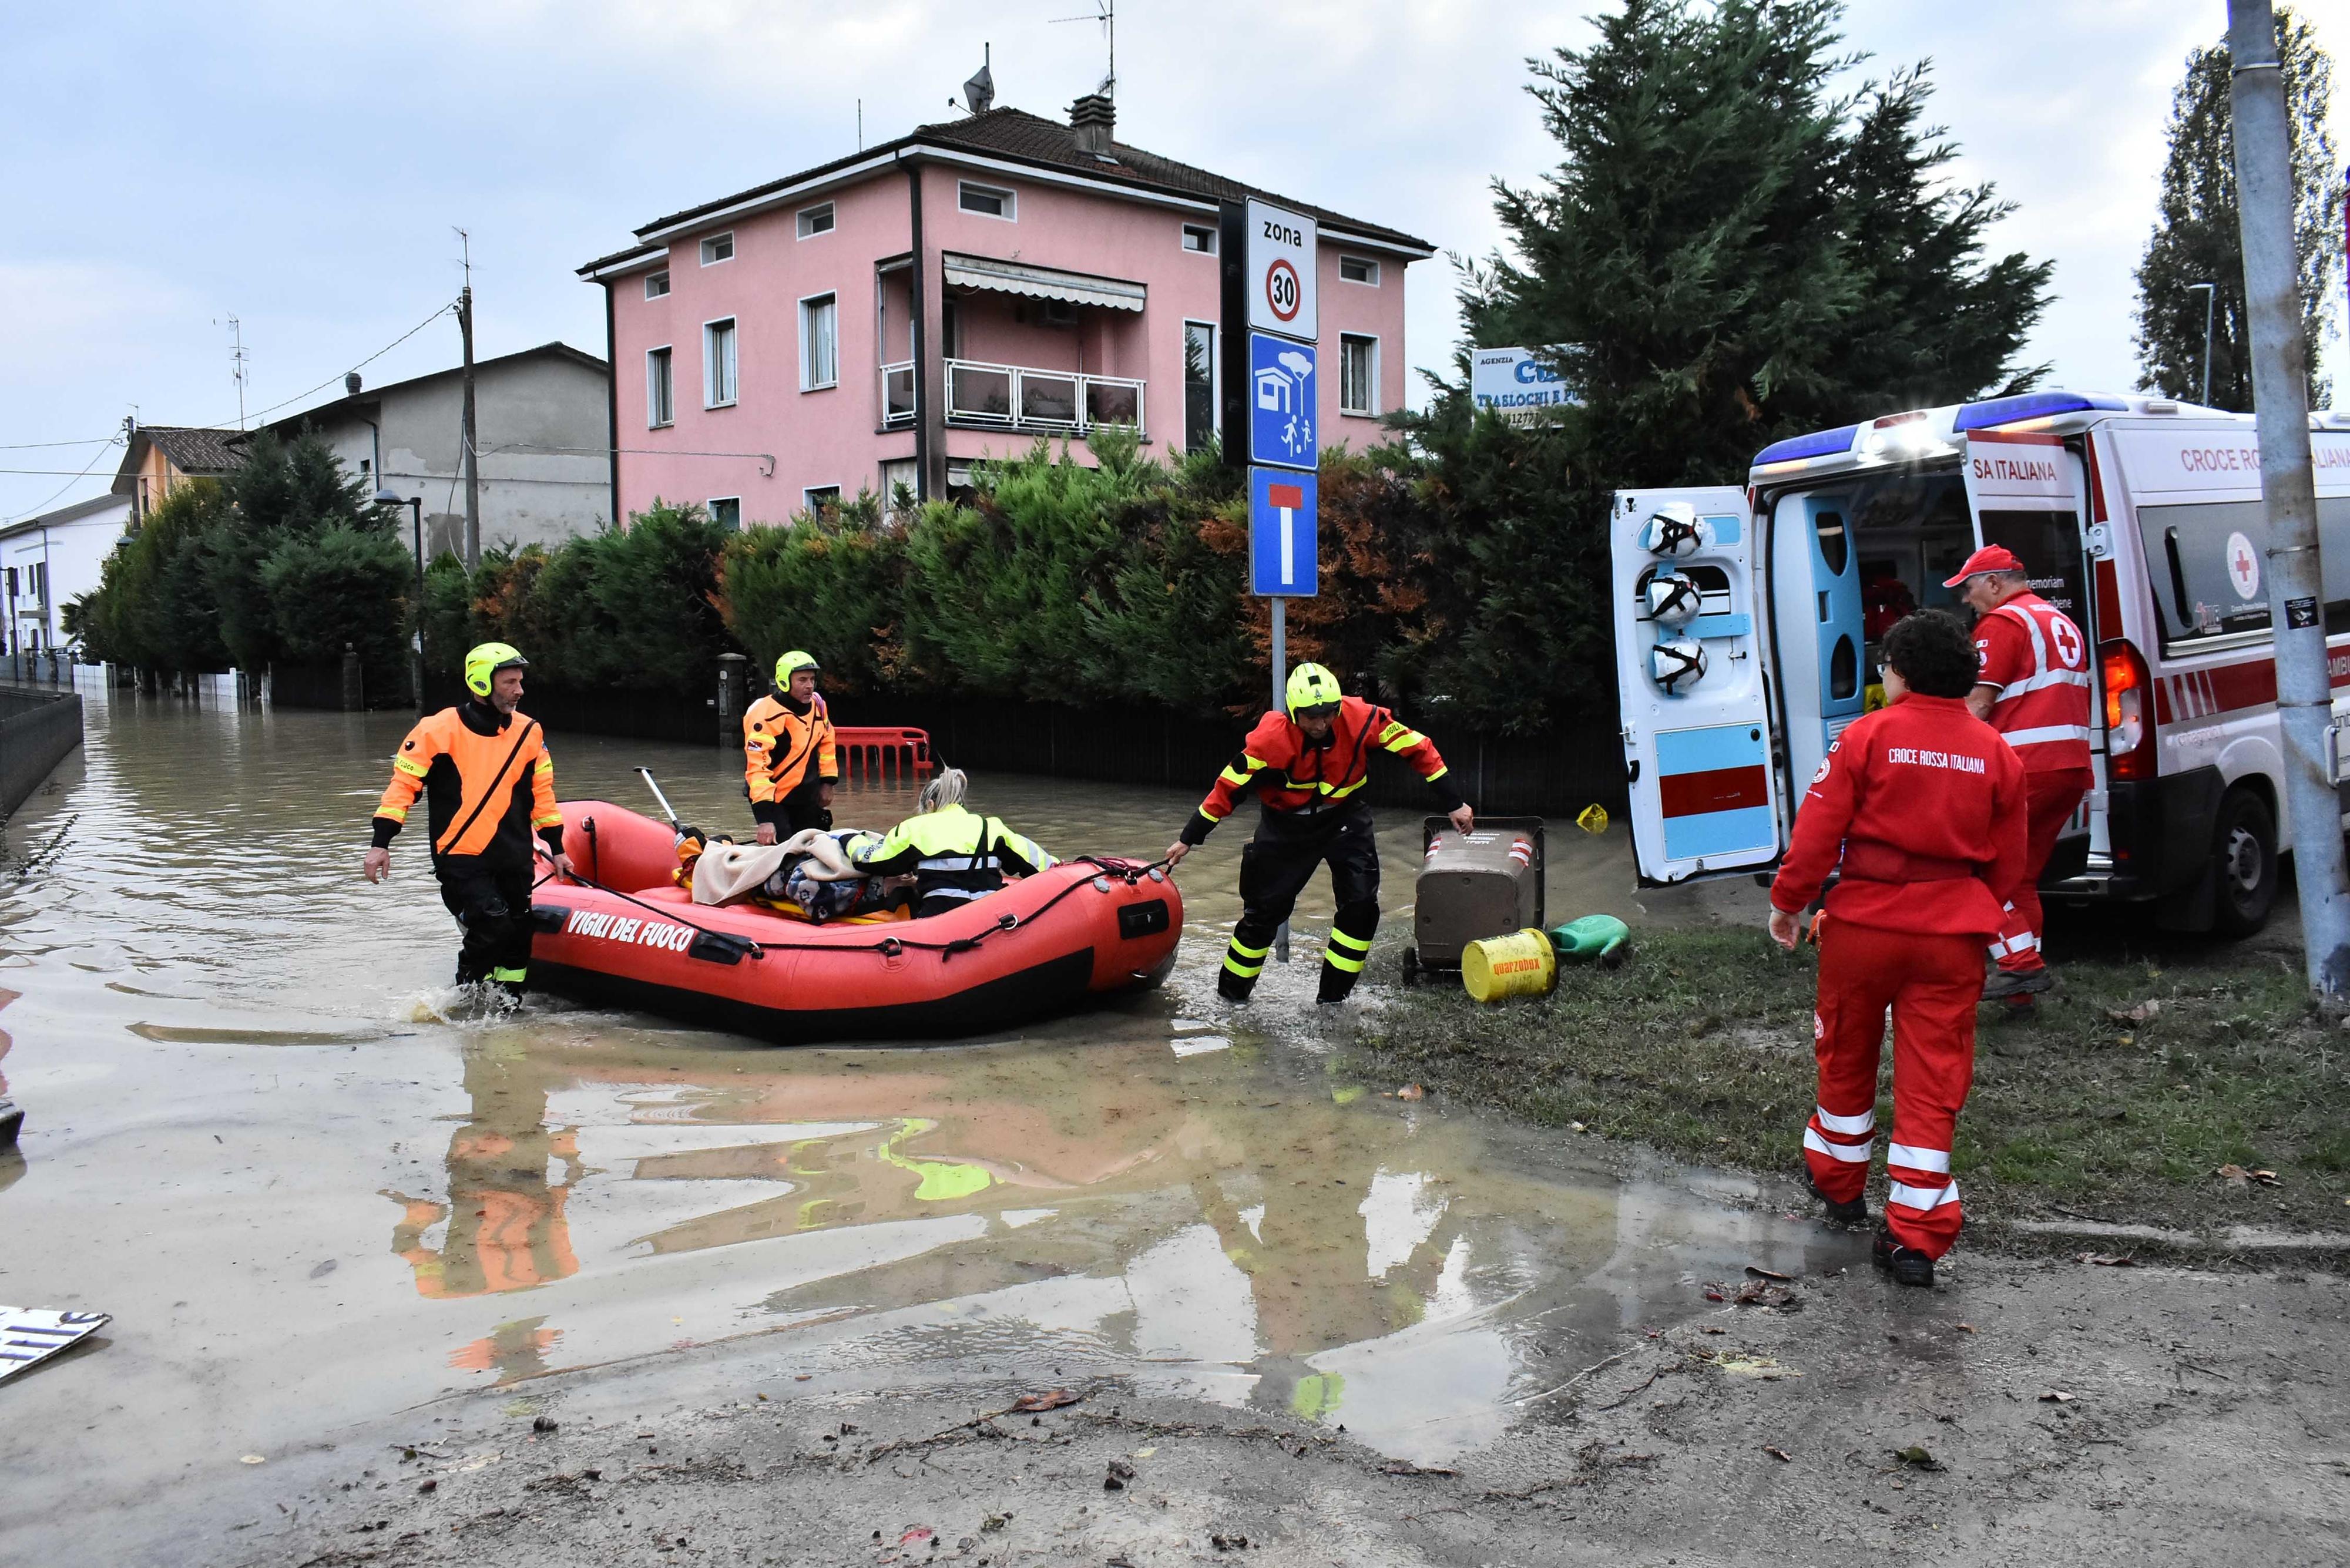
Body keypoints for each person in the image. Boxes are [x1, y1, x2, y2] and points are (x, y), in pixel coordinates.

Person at [1768, 611, 2029, 1288]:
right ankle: (1914, 1238)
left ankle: (1838, 1182)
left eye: (1885, 667)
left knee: (1845, 1050)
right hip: (1951, 939)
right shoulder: (1997, 752)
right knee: (1934, 1080)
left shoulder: (1867, 735)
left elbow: (1818, 827)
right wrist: (1977, 913)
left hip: (1863, 927)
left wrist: (1789, 901)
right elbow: (2010, 862)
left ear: (1902, 673)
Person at [1164, 663, 1473, 1006]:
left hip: (1345, 819)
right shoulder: (1269, 742)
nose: (1321, 723)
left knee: (1361, 906)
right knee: (1263, 914)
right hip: (1286, 829)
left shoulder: (1362, 719)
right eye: (1310, 716)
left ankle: (1332, 1003)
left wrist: (1454, 802)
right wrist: (1189, 838)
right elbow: (1227, 789)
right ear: (1294, 712)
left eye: (1328, 713)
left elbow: (1418, 748)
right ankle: (1230, 1000)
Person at [363, 642, 575, 996]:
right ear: (481, 683)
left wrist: (557, 847)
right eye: (509, 682)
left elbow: (543, 795)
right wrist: (380, 845)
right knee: (494, 925)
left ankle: (508, 1006)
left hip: (513, 854)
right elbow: (403, 789)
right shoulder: (437, 730)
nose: (519, 691)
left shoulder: (529, 732)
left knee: (519, 934)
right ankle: (466, 999)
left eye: (520, 681)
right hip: (460, 856)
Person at [1948, 546, 2094, 1001]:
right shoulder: (2058, 620)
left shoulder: (2004, 623)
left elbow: (1979, 704)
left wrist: (1943, 752)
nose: (1967, 600)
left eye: (1969, 589)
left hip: (2024, 767)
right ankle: (2021, 992)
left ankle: (2020, 967)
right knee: (2022, 877)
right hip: (2069, 768)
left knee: (1978, 872)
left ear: (1994, 582)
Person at [850, 768, 1056, 918]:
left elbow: (869, 860)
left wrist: (851, 840)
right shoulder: (991, 827)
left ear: (930, 805)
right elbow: (1044, 866)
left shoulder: (916, 828)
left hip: (938, 925)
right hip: (992, 923)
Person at [744, 650, 838, 844]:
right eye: (802, 680)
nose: (809, 686)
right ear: (785, 681)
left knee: (814, 848)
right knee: (786, 852)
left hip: (807, 795)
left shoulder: (819, 706)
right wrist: (765, 820)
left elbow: (827, 742)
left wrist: (828, 783)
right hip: (775, 798)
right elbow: (757, 769)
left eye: (812, 680)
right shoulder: (765, 715)